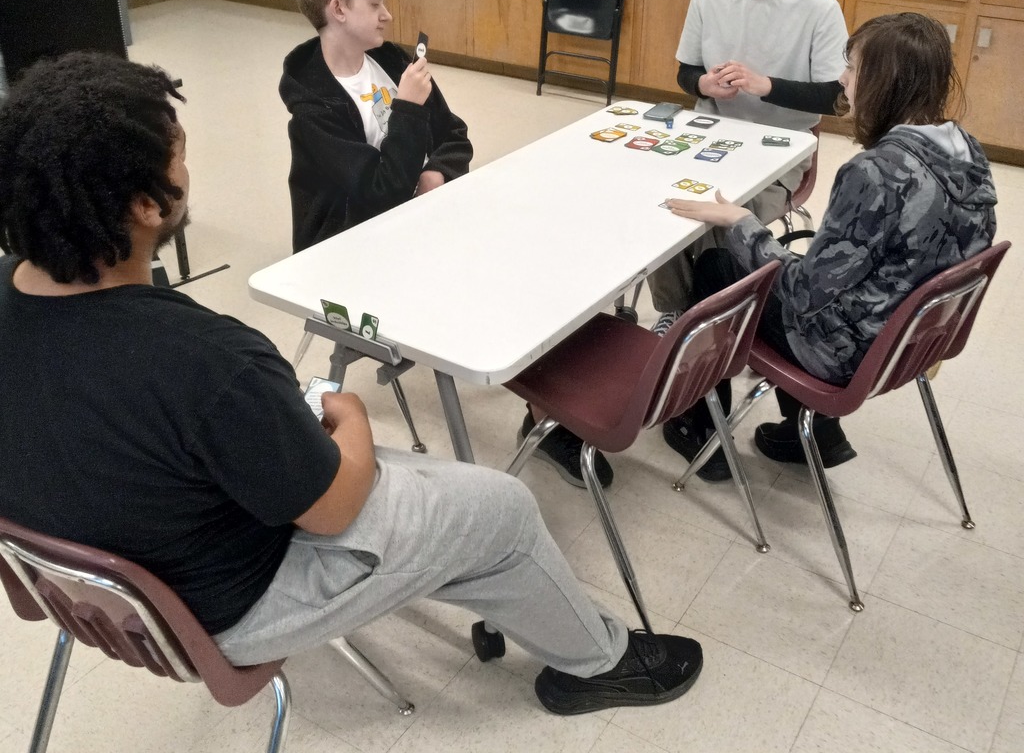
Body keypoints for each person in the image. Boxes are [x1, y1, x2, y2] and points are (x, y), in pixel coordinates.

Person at [0, 51, 703, 716]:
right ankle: (601, 664)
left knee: (442, 507)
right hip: (224, 607)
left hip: (93, 590)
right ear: (148, 206)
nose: (188, 166)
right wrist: (355, 418)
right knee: (503, 508)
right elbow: (334, 509)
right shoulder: (207, 360)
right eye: (178, 153)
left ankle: (487, 581)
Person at [660, 12, 998, 478]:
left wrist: (741, 221)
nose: (842, 79)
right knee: (787, 261)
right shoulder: (966, 151)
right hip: (911, 340)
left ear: (887, 82)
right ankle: (816, 433)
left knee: (718, 266)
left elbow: (802, 294)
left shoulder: (876, 173)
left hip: (847, 352)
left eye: (854, 68)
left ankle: (698, 427)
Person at [648, 0, 849, 480]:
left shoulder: (818, 9)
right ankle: (678, 318)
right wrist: (702, 87)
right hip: (714, 136)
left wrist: (766, 85)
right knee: (665, 202)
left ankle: (701, 345)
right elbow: (686, 71)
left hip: (783, 150)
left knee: (719, 229)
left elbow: (835, 98)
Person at [282, 0, 472, 252]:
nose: (387, 15)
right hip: (358, 244)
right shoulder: (314, 110)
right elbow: (381, 193)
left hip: (421, 217)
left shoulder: (392, 62)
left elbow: (454, 136)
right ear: (338, 10)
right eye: (374, 5)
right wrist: (407, 109)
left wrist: (437, 172)